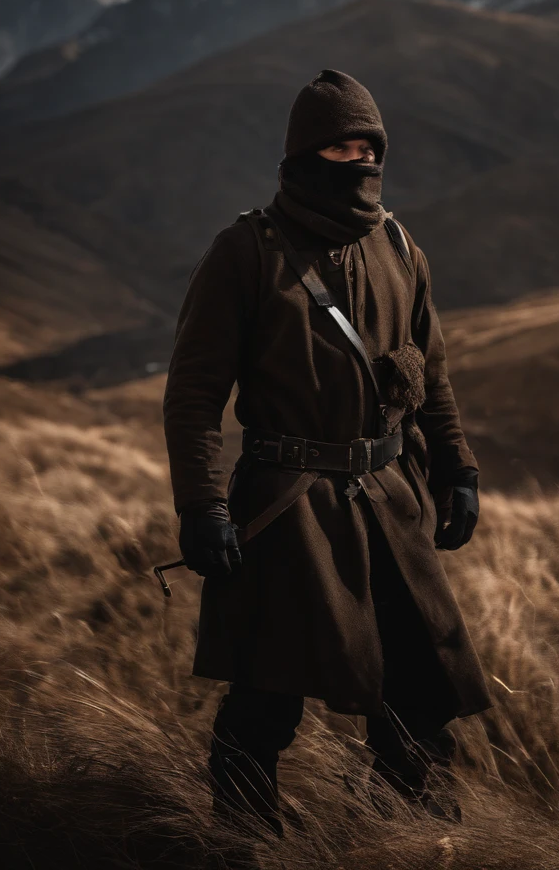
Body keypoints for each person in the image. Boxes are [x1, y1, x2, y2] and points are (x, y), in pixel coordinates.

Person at [163, 69, 491, 833]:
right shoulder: (245, 252)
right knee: (266, 697)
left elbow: (430, 374)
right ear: (301, 155)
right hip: (288, 505)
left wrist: (458, 467)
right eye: (339, 148)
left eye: (366, 147)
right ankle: (243, 839)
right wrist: (203, 504)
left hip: (390, 498)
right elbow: (194, 394)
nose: (356, 162)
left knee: (419, 694)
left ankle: (410, 838)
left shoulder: (403, 247)